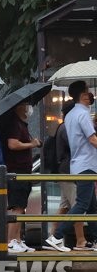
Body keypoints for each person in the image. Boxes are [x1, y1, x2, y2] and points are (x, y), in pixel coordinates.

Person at [46, 81, 97, 252]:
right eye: (88, 91)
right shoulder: (83, 115)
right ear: (83, 95)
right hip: (87, 164)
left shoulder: (70, 115)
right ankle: (56, 236)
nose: (90, 94)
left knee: (91, 206)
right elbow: (92, 139)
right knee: (82, 204)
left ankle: (95, 240)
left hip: (78, 164)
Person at [0, 101, 41, 253]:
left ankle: (17, 240)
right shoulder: (13, 124)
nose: (29, 108)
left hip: (23, 171)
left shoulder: (21, 124)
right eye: (26, 104)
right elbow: (13, 144)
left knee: (21, 207)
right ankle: (11, 241)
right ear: (18, 107)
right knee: (16, 207)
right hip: (16, 171)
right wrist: (32, 144)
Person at [52, 102, 89, 249]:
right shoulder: (67, 127)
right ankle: (81, 241)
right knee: (77, 206)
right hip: (69, 173)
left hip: (65, 172)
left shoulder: (63, 126)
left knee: (65, 207)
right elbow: (77, 145)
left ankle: (52, 237)